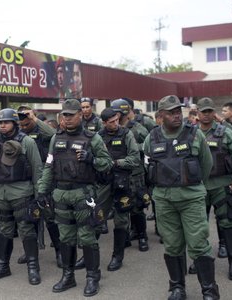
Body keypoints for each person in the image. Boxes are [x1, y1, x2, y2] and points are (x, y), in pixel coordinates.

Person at [143, 95, 218, 299]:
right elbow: (148, 166)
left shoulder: (195, 135)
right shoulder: (152, 138)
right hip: (165, 200)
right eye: (171, 112)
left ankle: (209, 290)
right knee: (172, 244)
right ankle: (177, 287)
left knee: (198, 243)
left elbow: (206, 164)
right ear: (160, 116)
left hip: (191, 198)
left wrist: (191, 185)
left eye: (179, 111)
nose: (177, 115)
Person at [37, 99, 113, 297]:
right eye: (65, 115)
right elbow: (49, 166)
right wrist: (42, 190)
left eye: (71, 115)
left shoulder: (92, 138)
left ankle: (92, 277)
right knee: (66, 237)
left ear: (81, 114)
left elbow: (107, 164)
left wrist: (91, 159)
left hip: (83, 194)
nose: (67, 118)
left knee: (87, 237)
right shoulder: (56, 138)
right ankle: (68, 276)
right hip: (61, 194)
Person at [0, 108, 43, 285]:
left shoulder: (26, 142)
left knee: (26, 229)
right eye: (0, 123)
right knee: (4, 230)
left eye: (6, 122)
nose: (2, 125)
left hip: (22, 192)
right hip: (0, 193)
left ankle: (33, 267)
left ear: (14, 123)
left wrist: (39, 196)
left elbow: (37, 169)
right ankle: (3, 266)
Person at [193, 97, 232, 281]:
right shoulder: (191, 134)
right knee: (198, 227)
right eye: (203, 111)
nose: (207, 114)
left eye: (210, 111)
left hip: (222, 187)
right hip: (198, 188)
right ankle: (200, 259)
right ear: (197, 112)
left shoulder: (225, 132)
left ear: (213, 112)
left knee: (227, 224)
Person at [16, 105, 62, 268]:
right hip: (25, 179)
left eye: (26, 120)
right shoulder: (19, 135)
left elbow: (54, 135)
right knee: (28, 217)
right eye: (20, 122)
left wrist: (34, 118)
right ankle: (30, 252)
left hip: (44, 177)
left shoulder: (41, 130)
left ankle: (59, 251)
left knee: (49, 217)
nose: (23, 125)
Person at [97, 107, 140, 272]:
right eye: (112, 122)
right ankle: (88, 256)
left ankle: (117, 256)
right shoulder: (97, 136)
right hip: (103, 183)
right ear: (104, 123)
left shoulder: (126, 134)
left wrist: (116, 163)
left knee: (121, 220)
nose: (116, 124)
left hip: (122, 181)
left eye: (117, 120)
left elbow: (135, 158)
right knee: (97, 218)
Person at [111, 99, 150, 252]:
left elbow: (149, 146)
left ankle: (142, 237)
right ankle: (125, 235)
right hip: (118, 174)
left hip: (135, 174)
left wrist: (134, 147)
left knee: (137, 207)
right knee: (120, 206)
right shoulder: (111, 129)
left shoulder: (138, 129)